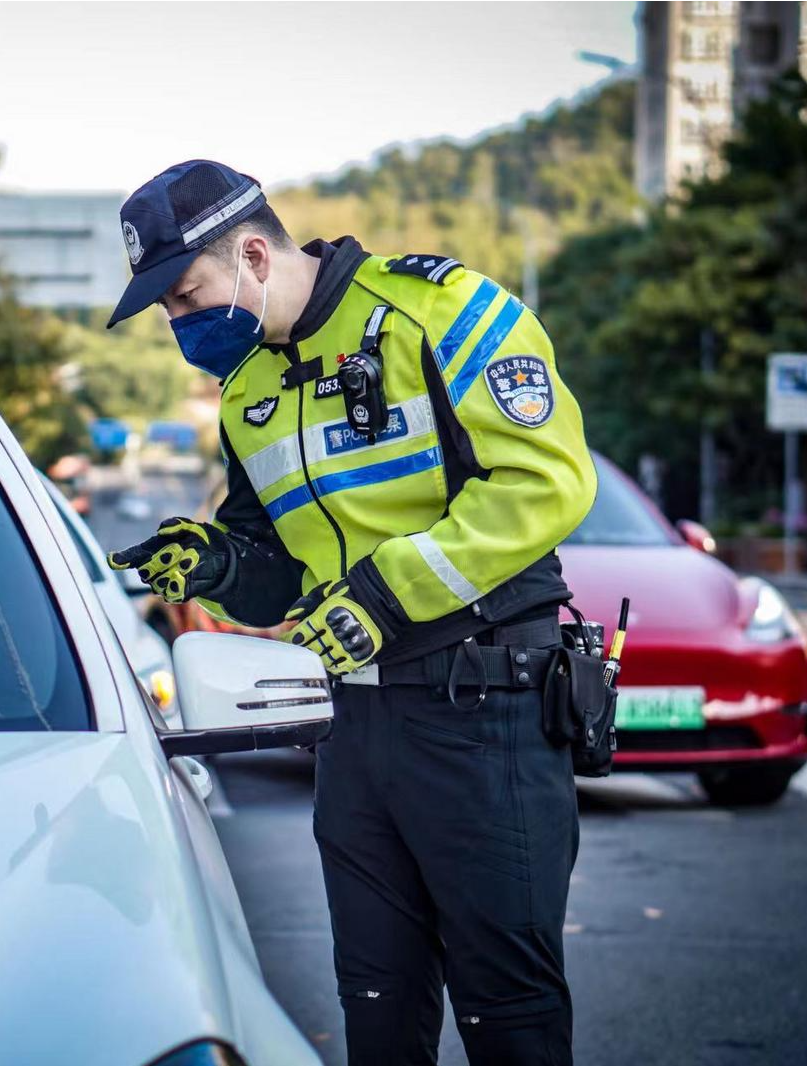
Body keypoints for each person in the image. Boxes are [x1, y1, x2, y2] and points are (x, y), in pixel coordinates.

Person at [105, 160, 597, 1065]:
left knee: (508, 1015)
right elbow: (287, 575)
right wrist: (218, 565)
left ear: (253, 253)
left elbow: (547, 482)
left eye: (184, 296)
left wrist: (383, 591)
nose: (178, 325)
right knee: (375, 1007)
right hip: (354, 729)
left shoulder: (441, 309)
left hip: (485, 711)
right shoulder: (248, 393)